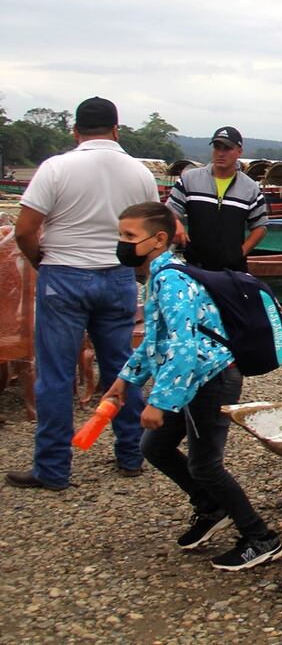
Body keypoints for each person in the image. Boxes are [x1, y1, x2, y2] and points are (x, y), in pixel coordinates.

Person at [103, 202, 282, 571]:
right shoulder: (158, 276)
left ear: (159, 239)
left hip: (212, 379)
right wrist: (124, 381)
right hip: (193, 380)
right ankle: (211, 507)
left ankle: (260, 537)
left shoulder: (171, 280)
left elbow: (184, 349)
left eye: (129, 237)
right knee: (155, 446)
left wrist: (159, 402)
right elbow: (157, 341)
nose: (122, 243)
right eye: (121, 235)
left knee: (205, 466)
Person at [6, 97, 156, 491]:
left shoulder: (55, 168)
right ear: (116, 130)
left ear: (75, 131)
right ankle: (131, 455)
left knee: (56, 376)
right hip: (118, 277)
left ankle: (53, 469)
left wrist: (44, 262)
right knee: (124, 368)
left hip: (64, 275)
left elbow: (24, 230)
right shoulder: (139, 173)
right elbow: (148, 235)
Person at [167, 126, 268, 271]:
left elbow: (260, 226)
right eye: (217, 147)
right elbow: (169, 212)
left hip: (233, 270)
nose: (221, 153)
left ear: (239, 152)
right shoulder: (189, 180)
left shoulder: (250, 188)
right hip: (196, 266)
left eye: (227, 148)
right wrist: (176, 224)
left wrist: (241, 252)